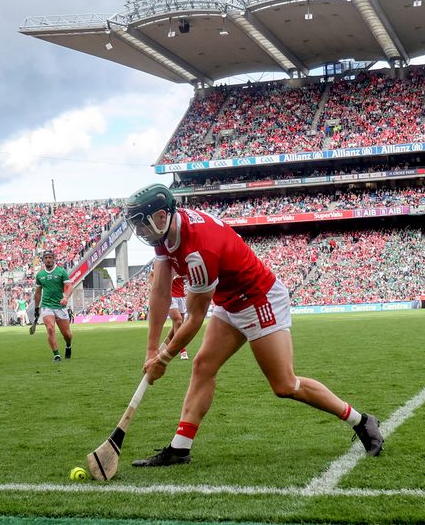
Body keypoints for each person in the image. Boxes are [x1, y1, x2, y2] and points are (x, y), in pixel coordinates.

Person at [122, 184, 383, 467]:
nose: (141, 232)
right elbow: (160, 291)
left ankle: (361, 420)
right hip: (229, 300)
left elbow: (194, 318)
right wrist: (151, 349)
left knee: (284, 385)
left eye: (142, 224)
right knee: (203, 366)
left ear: (161, 216)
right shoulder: (165, 231)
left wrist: (164, 358)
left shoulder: (199, 249)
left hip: (259, 299)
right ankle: (180, 448)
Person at [32, 250, 73, 362]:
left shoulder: (61, 271)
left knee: (67, 335)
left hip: (60, 307)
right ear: (43, 260)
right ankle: (56, 355)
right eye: (46, 257)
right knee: (50, 328)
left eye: (50, 257)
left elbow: (69, 287)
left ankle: (68, 345)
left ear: (54, 259)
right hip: (46, 306)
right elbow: (38, 293)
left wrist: (65, 298)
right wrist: (36, 308)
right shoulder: (40, 275)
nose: (48, 259)